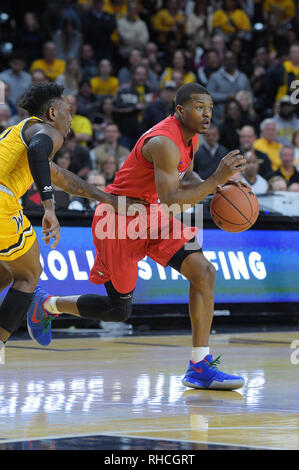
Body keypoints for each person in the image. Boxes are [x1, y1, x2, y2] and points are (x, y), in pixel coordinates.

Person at [27, 83, 246, 391]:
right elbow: (173, 199)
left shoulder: (188, 136)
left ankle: (199, 365)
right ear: (180, 110)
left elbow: (185, 177)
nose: (207, 114)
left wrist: (219, 187)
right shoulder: (164, 142)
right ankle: (49, 304)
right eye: (199, 108)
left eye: (209, 108)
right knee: (118, 311)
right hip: (118, 219)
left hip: (151, 213)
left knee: (204, 273)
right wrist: (215, 180)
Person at [0, 83, 142, 356]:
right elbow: (38, 152)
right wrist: (49, 207)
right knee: (29, 273)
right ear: (52, 113)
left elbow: (66, 179)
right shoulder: (45, 131)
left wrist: (111, 200)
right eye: (68, 111)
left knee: (9, 272)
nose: (71, 118)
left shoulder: (20, 134)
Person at [207, 51, 253, 125]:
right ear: (223, 61)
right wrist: (226, 97)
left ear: (235, 61)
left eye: (232, 59)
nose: (230, 61)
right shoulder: (215, 77)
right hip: (219, 120)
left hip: (242, 119)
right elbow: (207, 96)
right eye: (227, 59)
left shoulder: (242, 77)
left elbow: (250, 95)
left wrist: (244, 100)